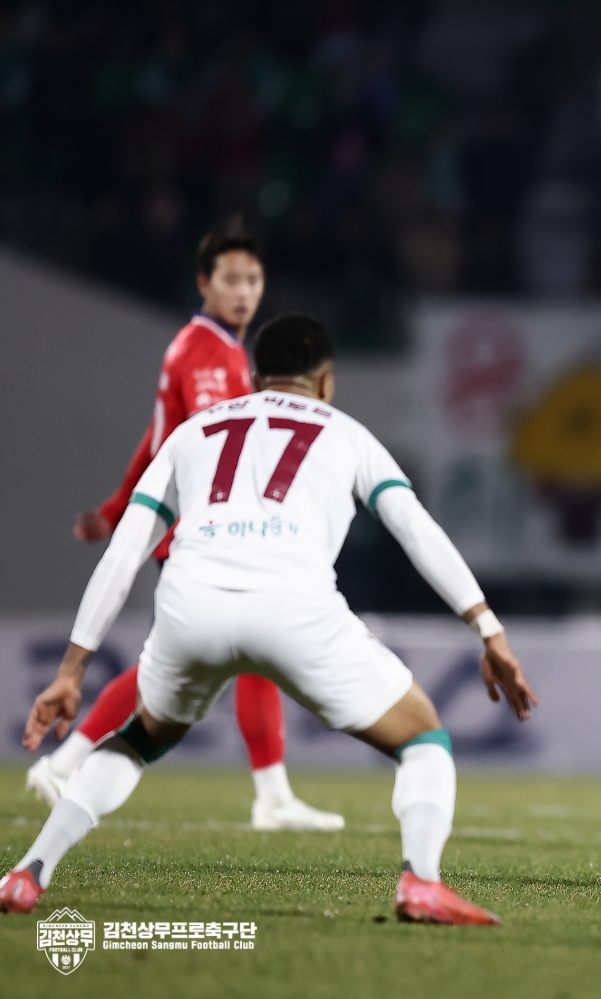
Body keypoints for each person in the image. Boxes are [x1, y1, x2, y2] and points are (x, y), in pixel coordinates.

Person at [0, 315, 538, 923]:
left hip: (190, 606)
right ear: (326, 383)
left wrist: (72, 670)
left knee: (139, 738)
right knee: (423, 737)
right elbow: (416, 530)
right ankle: (421, 882)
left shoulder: (192, 432)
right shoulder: (348, 434)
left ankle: (28, 871)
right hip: (294, 609)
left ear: (253, 379)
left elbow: (124, 553)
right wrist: (488, 630)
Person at [28, 219, 342, 833]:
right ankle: (71, 765)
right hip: (203, 532)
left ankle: (68, 765)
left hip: (202, 529)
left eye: (253, 279)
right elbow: (211, 440)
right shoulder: (204, 352)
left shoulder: (211, 347)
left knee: (222, 656)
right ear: (204, 283)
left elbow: (157, 440)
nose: (244, 291)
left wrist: (117, 508)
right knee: (209, 658)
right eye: (231, 279)